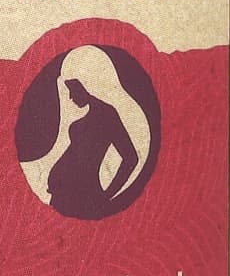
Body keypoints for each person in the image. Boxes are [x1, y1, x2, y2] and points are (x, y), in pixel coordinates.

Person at [22, 46, 153, 218]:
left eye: (73, 90)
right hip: (63, 197)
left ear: (87, 85)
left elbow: (131, 158)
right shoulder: (90, 114)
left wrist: (107, 196)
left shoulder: (107, 115)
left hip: (82, 199)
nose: (70, 97)